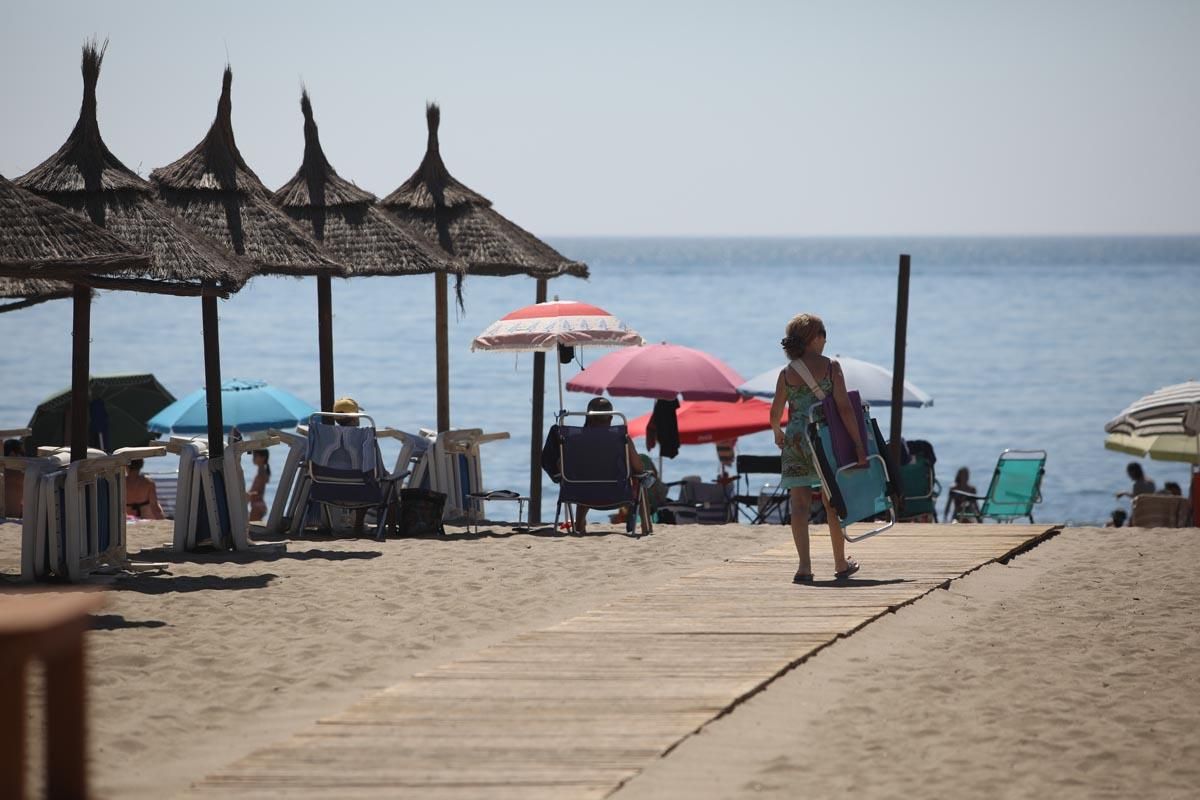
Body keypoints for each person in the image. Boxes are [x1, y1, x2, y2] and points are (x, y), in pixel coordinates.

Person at [771, 313, 866, 584]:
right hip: (824, 441)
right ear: (816, 338)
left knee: (798, 505)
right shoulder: (831, 366)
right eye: (824, 336)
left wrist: (777, 431)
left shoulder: (787, 373)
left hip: (796, 442)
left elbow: (775, 412)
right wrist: (858, 444)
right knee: (831, 501)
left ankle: (804, 567)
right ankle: (839, 562)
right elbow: (845, 409)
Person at [575, 396, 644, 534]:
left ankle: (579, 523)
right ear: (611, 418)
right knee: (642, 477)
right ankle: (646, 526)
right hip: (618, 493)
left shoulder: (575, 440)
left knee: (585, 480)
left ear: (588, 417)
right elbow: (639, 468)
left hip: (584, 495)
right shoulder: (622, 439)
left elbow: (563, 468)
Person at [3, 439, 25, 518]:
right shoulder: (21, 474)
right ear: (12, 454)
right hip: (15, 517)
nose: (24, 456)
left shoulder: (3, 472)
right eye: (22, 453)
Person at [247, 449, 271, 522]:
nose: (253, 458)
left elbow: (257, 491)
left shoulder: (261, 473)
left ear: (263, 457)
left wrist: (247, 495)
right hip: (259, 505)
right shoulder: (261, 472)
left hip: (257, 506)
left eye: (255, 456)